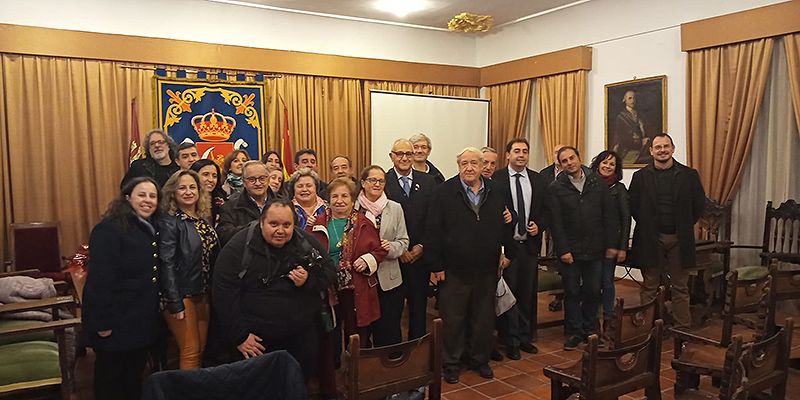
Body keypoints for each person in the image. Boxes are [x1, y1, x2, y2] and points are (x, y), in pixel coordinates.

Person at [212, 198, 336, 378]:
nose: (280, 230)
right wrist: (239, 336)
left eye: (287, 225)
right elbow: (223, 292)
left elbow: (329, 271)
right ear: (261, 223)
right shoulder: (239, 246)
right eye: (273, 224)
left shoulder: (304, 242)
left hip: (300, 337)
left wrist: (308, 280)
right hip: (257, 342)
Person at [427, 147, 514, 383]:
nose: (469, 168)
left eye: (474, 163)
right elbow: (432, 230)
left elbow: (508, 219)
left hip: (486, 269)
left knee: (483, 319)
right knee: (453, 320)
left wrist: (511, 225)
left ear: (482, 165)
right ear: (458, 166)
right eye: (464, 163)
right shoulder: (444, 192)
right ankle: (451, 363)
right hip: (454, 270)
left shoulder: (496, 190)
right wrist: (436, 266)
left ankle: (479, 360)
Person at [82, 177, 163, 400]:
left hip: (139, 321)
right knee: (110, 381)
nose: (148, 200)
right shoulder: (109, 229)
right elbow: (100, 280)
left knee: (133, 378)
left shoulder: (150, 228)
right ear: (127, 198)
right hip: (114, 322)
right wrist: (102, 323)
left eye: (153, 196)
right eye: (142, 195)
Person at [308, 178, 388, 397]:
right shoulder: (316, 223)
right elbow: (305, 251)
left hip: (357, 288)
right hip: (327, 290)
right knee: (329, 335)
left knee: (357, 335)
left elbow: (380, 251)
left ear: (353, 200)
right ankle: (332, 383)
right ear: (328, 200)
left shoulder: (364, 222)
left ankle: (357, 380)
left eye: (345, 196)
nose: (339, 200)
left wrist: (369, 258)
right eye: (335, 196)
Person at [629, 134, 705, 329]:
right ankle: (647, 327)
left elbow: (699, 205)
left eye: (666, 146)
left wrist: (684, 224)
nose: (662, 150)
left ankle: (682, 329)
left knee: (680, 286)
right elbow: (633, 206)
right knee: (649, 285)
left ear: (673, 148)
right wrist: (649, 226)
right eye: (658, 147)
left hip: (680, 238)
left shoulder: (689, 175)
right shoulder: (640, 177)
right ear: (651, 151)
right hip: (651, 238)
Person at [547, 146, 619, 350]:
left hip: (595, 248)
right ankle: (574, 332)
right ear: (560, 165)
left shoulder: (598, 183)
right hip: (570, 251)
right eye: (564, 160)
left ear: (580, 158)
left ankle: (589, 329)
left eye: (572, 158)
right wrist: (563, 250)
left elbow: (610, 216)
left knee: (593, 291)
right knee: (571, 292)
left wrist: (611, 245)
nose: (569, 162)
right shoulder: (556, 187)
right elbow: (556, 223)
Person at [492, 138, 549, 359]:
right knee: (507, 295)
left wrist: (540, 225)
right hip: (508, 248)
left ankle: (524, 338)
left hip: (530, 247)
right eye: (516, 151)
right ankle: (509, 340)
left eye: (525, 151)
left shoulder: (538, 180)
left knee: (527, 294)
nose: (521, 155)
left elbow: (547, 211)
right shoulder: (496, 179)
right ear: (507, 155)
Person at [158, 170, 220, 370]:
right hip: (181, 294)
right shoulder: (169, 222)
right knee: (190, 350)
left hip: (202, 292)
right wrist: (174, 301)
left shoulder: (201, 220)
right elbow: (166, 262)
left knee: (200, 349)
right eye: (182, 187)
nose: (187, 192)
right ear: (173, 193)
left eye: (192, 187)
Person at [384, 139, 437, 340]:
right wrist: (401, 249)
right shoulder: (383, 181)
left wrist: (422, 246)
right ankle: (393, 349)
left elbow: (433, 218)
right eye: (399, 154)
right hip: (392, 258)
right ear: (392, 157)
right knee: (392, 309)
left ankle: (418, 347)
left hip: (419, 256)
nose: (404, 158)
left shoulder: (428, 181)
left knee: (418, 306)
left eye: (408, 153)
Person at [356, 165, 409, 346]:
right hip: (362, 279)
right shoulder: (354, 208)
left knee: (389, 327)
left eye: (381, 180)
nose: (377, 184)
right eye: (372, 180)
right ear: (363, 183)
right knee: (363, 329)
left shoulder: (395, 208)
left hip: (389, 279)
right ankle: (365, 367)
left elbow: (403, 242)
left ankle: (389, 368)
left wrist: (390, 247)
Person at [589, 150, 631, 336]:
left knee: (606, 282)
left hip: (610, 246)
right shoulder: (589, 185)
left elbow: (626, 219)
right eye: (604, 162)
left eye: (611, 164)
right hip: (590, 244)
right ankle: (593, 320)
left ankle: (608, 320)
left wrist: (622, 247)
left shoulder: (619, 189)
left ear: (616, 168)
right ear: (598, 164)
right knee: (591, 283)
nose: (607, 166)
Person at [217, 161, 272, 245]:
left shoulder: (283, 204)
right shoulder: (230, 206)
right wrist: (253, 228)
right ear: (244, 182)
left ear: (268, 180)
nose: (257, 183)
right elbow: (224, 236)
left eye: (262, 178)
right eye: (252, 179)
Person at [612, 90, 651, 164]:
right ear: (625, 100)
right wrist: (640, 142)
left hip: (641, 150)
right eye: (630, 98)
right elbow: (623, 138)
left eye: (634, 98)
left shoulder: (639, 115)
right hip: (627, 152)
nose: (633, 100)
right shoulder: (621, 117)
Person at [190, 159, 227, 224]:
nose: (211, 180)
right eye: (206, 174)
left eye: (214, 176)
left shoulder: (221, 202)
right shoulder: (188, 201)